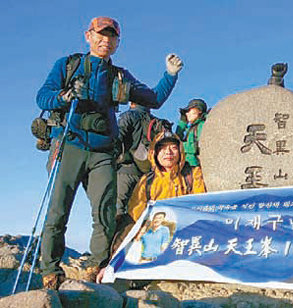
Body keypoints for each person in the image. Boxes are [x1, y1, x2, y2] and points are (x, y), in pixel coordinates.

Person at [36, 16, 183, 289]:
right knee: (58, 210)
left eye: (112, 36)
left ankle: (95, 268)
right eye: (100, 34)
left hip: (103, 151)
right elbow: (42, 96)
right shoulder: (68, 66)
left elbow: (154, 99)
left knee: (104, 212)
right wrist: (64, 96)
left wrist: (170, 75)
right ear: (88, 35)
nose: (106, 40)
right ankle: (50, 271)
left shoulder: (120, 75)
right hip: (69, 144)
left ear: (117, 42)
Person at [116, 102, 172, 223]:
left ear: (132, 103)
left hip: (126, 170)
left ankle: (118, 239)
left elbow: (118, 138)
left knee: (118, 210)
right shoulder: (156, 121)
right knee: (141, 211)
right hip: (148, 173)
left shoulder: (128, 116)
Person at [175, 99, 208, 167]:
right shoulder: (192, 128)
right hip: (187, 165)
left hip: (194, 167)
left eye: (189, 110)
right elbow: (176, 138)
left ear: (199, 110)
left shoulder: (202, 125)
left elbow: (199, 147)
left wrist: (180, 146)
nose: (187, 113)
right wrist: (182, 123)